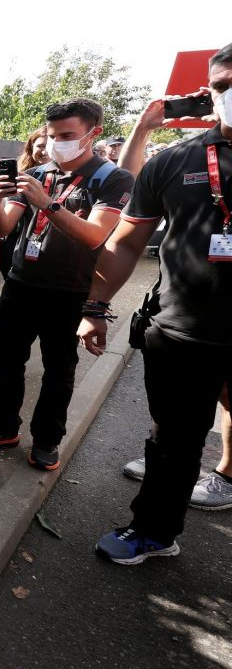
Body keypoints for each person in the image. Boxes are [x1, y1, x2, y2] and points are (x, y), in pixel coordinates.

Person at [80, 45, 232, 563]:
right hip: (183, 334)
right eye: (224, 85)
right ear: (209, 91)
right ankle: (154, 531)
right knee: (173, 441)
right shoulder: (174, 162)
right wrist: (96, 307)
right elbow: (125, 242)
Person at [0, 99, 133, 470]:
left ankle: (46, 440)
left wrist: (47, 204)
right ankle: (3, 427)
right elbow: (4, 227)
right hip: (21, 286)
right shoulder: (37, 173)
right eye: (54, 135)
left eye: (67, 135)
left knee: (59, 370)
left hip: (70, 293)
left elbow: (95, 235)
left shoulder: (112, 178)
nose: (57, 143)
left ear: (94, 133)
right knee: (6, 362)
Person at [115, 97, 232, 511]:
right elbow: (129, 190)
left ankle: (226, 475)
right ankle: (166, 468)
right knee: (176, 415)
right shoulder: (180, 158)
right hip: (182, 320)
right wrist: (144, 127)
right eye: (222, 86)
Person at [0, 127, 50, 279]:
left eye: (49, 145)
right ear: (31, 148)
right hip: (15, 245)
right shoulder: (17, 176)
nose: (45, 151)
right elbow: (0, 216)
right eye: (40, 146)